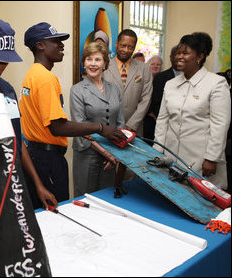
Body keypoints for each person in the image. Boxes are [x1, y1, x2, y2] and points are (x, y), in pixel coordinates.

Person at [19, 22, 126, 208]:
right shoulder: (45, 78)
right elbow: (58, 126)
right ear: (40, 45)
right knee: (56, 212)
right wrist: (100, 128)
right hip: (47, 159)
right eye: (56, 41)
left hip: (39, 156)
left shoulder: (33, 74)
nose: (62, 45)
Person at [0, 17, 58, 209]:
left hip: (8, 181)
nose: (2, 66)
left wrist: (38, 184)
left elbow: (17, 141)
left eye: (6, 60)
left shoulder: (7, 90)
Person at [154, 32, 231, 190]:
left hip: (201, 161)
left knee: (200, 204)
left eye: (185, 53)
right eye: (178, 52)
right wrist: (157, 151)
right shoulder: (170, 84)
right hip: (171, 157)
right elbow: (162, 120)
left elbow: (220, 124)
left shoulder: (216, 83)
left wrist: (211, 158)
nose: (179, 56)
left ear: (200, 56)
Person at [70, 42, 124, 197]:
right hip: (88, 154)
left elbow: (120, 123)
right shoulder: (77, 90)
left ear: (105, 63)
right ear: (83, 63)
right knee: (86, 198)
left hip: (112, 153)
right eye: (89, 59)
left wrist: (115, 153)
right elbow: (80, 126)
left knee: (107, 198)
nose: (93, 64)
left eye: (97, 59)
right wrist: (106, 153)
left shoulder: (114, 89)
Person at [103, 29, 153, 191]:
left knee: (131, 174)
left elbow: (146, 98)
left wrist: (131, 125)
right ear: (116, 44)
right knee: (109, 172)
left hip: (135, 129)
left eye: (130, 47)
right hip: (110, 128)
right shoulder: (104, 65)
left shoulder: (144, 69)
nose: (126, 50)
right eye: (123, 45)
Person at [143, 46, 181, 144]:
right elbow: (155, 101)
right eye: (153, 64)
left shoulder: (188, 76)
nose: (156, 66)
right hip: (155, 121)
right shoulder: (160, 78)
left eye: (158, 64)